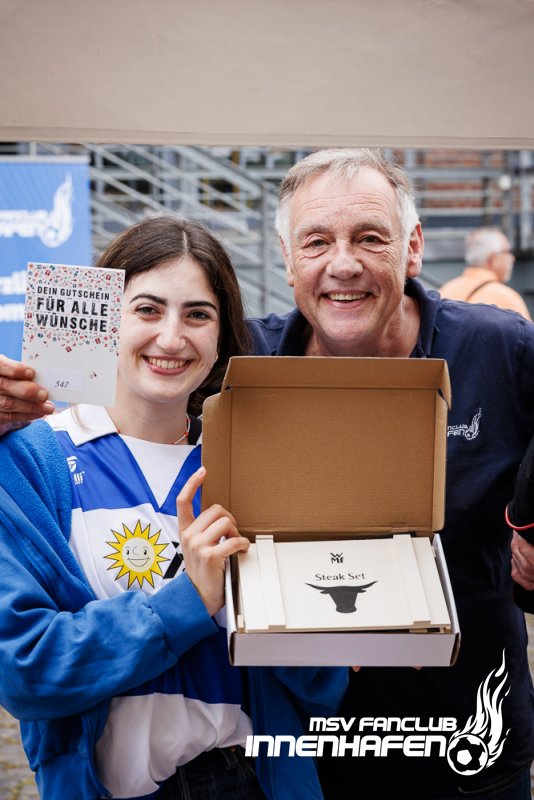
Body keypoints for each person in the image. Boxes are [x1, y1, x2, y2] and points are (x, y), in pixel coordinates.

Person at [2, 149, 534, 799]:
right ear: (286, 260)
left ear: (413, 247)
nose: (172, 336)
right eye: (317, 241)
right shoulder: (222, 404)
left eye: (371, 237)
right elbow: (25, 663)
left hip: (460, 745)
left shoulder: (501, 347)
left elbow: (299, 659)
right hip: (302, 767)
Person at [0, 215, 346, 800]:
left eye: (198, 315)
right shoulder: (32, 458)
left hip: (257, 782)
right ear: (105, 318)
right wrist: (190, 602)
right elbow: (26, 668)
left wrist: (335, 624)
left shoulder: (252, 464)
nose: (171, 337)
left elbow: (321, 687)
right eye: (147, 309)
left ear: (222, 336)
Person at [438, 226, 532, 319]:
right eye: (507, 252)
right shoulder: (507, 298)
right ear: (493, 259)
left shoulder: (444, 291)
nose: (512, 258)